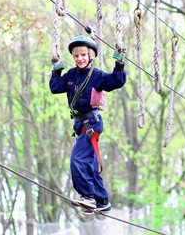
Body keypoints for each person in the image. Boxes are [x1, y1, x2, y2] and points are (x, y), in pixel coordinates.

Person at [49, 35, 127, 216]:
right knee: (90, 165)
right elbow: (55, 87)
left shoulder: (97, 76)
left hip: (91, 123)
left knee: (78, 160)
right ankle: (102, 201)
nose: (80, 59)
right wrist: (56, 70)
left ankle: (87, 196)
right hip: (80, 124)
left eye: (83, 55)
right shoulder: (70, 75)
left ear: (91, 56)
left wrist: (120, 64)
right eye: (76, 56)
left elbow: (116, 81)